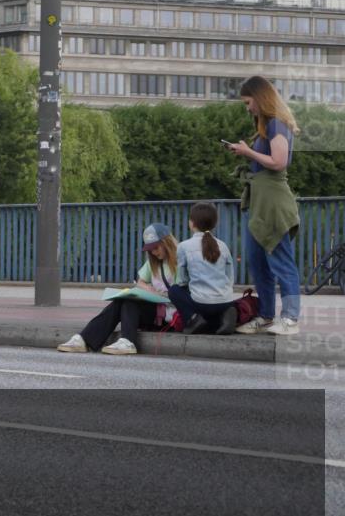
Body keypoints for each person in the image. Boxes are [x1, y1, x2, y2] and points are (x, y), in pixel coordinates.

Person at [228, 75, 302, 336]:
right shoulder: (264, 126)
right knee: (258, 261)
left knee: (281, 260)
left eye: (248, 102)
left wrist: (248, 152)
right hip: (259, 202)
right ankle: (266, 316)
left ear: (260, 98)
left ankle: (291, 319)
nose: (247, 108)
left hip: (273, 202)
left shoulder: (276, 124)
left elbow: (279, 162)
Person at [58, 223, 179, 355]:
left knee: (129, 302)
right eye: (150, 250)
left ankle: (115, 341)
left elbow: (181, 292)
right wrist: (149, 289)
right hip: (156, 310)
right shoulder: (154, 261)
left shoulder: (180, 260)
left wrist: (162, 294)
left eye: (156, 247)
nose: (154, 252)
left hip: (170, 315)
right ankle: (85, 340)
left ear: (166, 242)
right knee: (122, 301)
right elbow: (140, 282)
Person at [167, 202, 239, 336]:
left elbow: (182, 280)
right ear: (214, 224)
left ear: (192, 223)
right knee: (213, 307)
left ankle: (194, 319)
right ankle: (224, 316)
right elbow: (230, 278)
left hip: (202, 304)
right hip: (225, 301)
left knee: (174, 291)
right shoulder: (223, 246)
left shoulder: (183, 246)